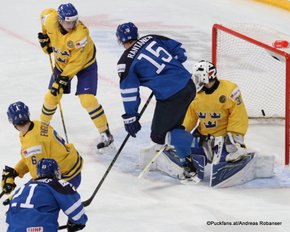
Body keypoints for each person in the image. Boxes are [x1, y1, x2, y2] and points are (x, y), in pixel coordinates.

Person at [116, 22, 197, 180]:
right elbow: (180, 51)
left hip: (172, 95)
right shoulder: (151, 38)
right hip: (189, 84)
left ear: (120, 40)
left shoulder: (126, 62)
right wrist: (169, 69)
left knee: (159, 136)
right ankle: (186, 146)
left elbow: (129, 92)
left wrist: (130, 117)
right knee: (174, 127)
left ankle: (192, 157)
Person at [37, 3, 114, 150]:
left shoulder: (80, 35)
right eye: (68, 22)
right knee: (51, 96)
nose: (71, 25)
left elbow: (77, 62)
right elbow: (44, 16)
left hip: (85, 65)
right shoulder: (49, 19)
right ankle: (42, 129)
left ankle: (105, 133)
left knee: (87, 99)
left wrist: (62, 79)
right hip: (62, 64)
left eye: (74, 21)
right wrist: (45, 40)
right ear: (59, 19)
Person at [1, 101, 83, 200]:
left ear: (12, 121)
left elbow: (40, 177)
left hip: (67, 179)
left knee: (27, 201)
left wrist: (19, 196)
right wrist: (16, 172)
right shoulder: (36, 125)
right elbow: (31, 156)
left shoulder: (32, 144)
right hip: (70, 168)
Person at [6, 158, 87, 232]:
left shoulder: (22, 189)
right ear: (56, 172)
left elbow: (9, 216)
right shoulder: (57, 184)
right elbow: (75, 209)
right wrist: (77, 222)